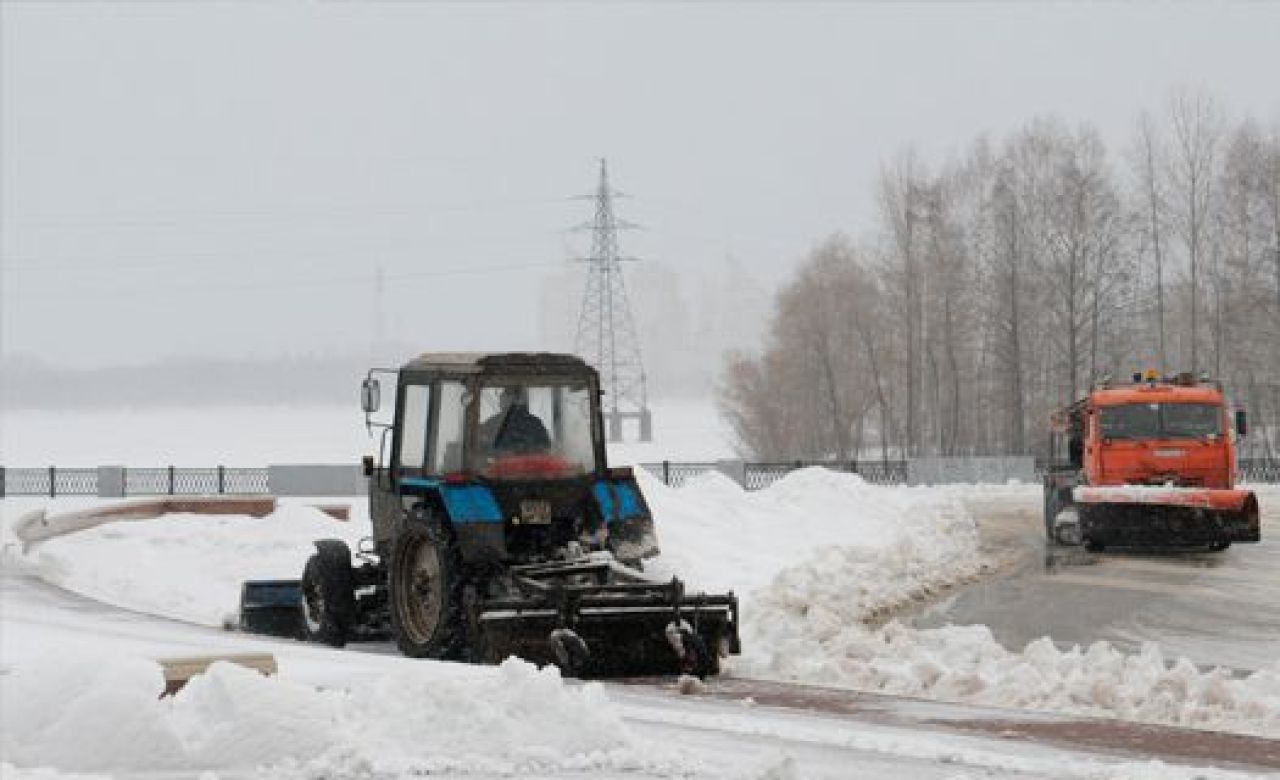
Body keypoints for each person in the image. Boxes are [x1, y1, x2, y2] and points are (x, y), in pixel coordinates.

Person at [479, 386, 551, 455]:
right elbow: (546, 448)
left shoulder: (492, 424)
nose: (501, 397)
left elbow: (480, 449)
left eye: (506, 394)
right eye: (503, 395)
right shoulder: (536, 424)